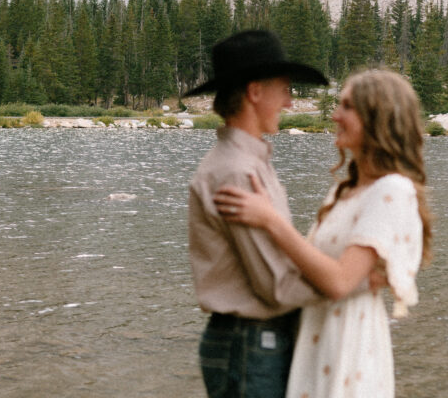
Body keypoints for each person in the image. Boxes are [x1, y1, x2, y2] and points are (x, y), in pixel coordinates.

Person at [214, 68, 433, 398]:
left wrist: (272, 221)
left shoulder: (392, 190)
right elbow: (318, 266)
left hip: (350, 346)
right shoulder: (344, 192)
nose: (334, 114)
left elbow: (338, 282)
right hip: (316, 338)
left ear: (377, 117)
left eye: (346, 106)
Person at [185, 29, 329, 398]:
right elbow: (276, 287)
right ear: (254, 92)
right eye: (285, 89)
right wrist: (351, 283)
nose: (290, 103)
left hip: (252, 343)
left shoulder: (248, 163)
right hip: (250, 345)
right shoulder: (236, 171)